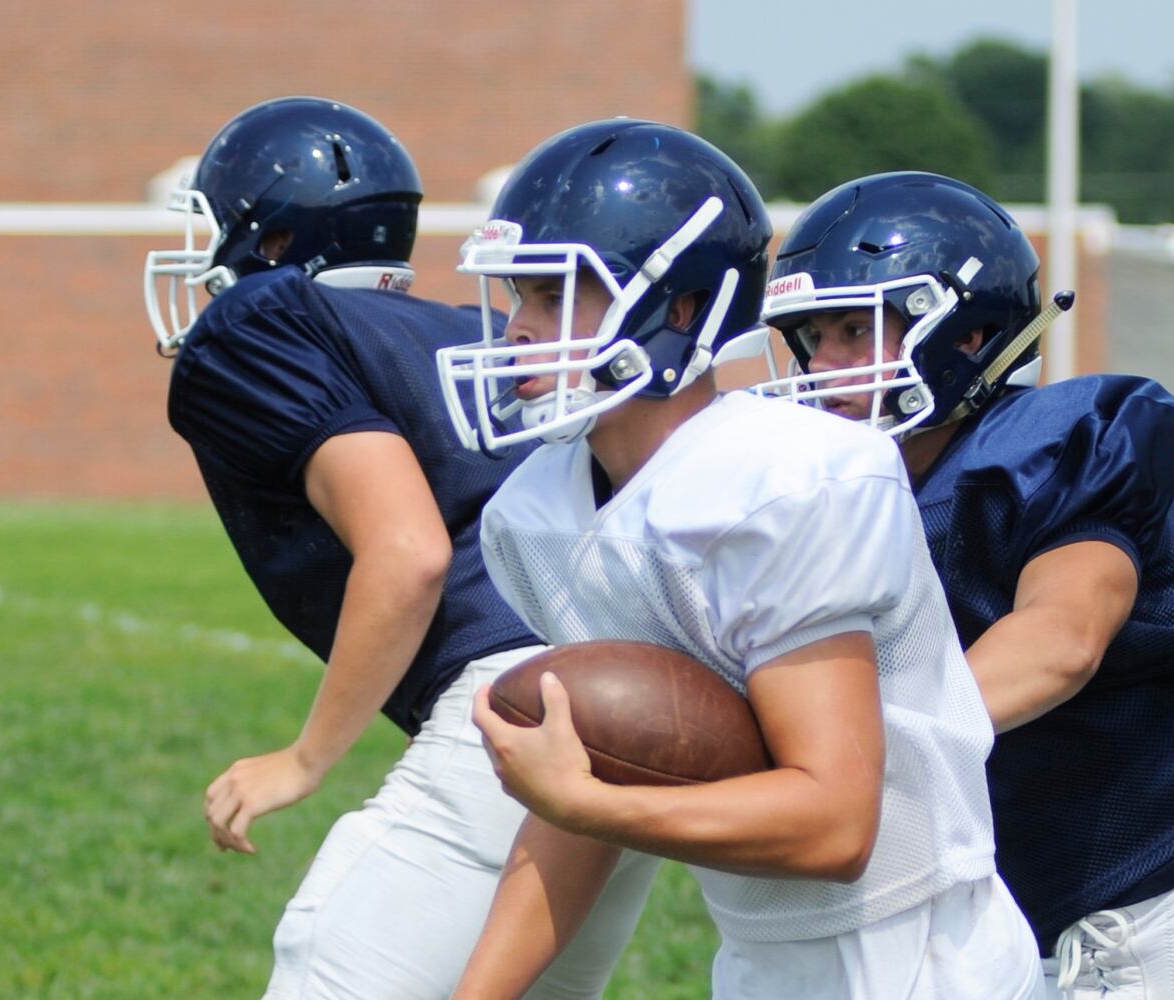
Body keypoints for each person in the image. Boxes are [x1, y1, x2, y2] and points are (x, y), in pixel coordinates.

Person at [435, 120, 1041, 1000]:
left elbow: (834, 827)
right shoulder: (535, 509)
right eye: (516, 298)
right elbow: (593, 767)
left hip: (918, 959)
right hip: (760, 960)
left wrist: (590, 804)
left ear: (680, 308)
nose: (519, 331)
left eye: (555, 298)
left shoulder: (790, 479)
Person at [143, 96, 657, 1000]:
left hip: (512, 709)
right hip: (631, 705)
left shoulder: (257, 322)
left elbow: (410, 549)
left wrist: (302, 760)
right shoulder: (477, 329)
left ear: (266, 243)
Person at [755, 170, 1174, 999]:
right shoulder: (838, 497)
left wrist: (852, 742)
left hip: (1138, 923)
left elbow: (1059, 642)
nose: (824, 364)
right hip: (983, 927)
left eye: (854, 329)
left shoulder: (1047, 451)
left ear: (970, 334)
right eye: (812, 336)